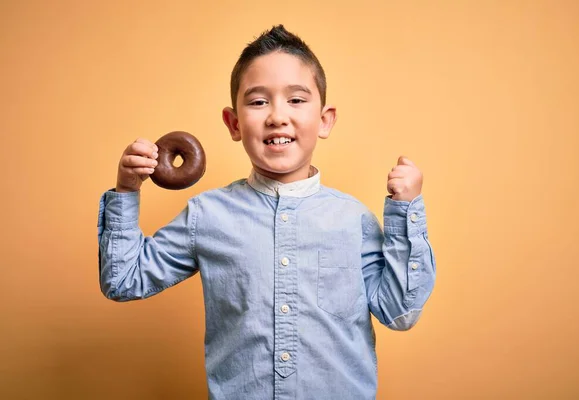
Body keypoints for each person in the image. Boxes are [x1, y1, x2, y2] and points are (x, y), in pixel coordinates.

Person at [98, 24, 436, 400]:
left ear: (324, 120)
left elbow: (400, 313)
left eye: (296, 100)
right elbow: (123, 281)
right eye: (258, 102)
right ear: (234, 123)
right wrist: (126, 190)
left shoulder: (353, 220)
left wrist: (407, 212)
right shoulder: (206, 216)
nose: (277, 116)